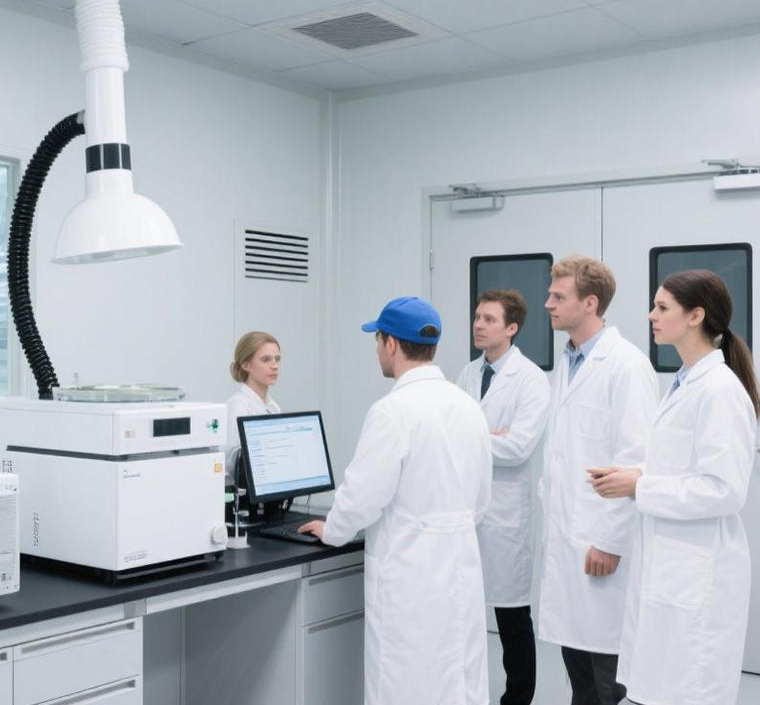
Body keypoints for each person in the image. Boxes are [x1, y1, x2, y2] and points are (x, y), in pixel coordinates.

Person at [299, 297, 492, 705]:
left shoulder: (392, 411)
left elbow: (361, 498)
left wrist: (332, 530)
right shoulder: (468, 407)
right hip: (460, 569)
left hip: (410, 575)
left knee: (405, 685)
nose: (376, 349)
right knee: (458, 682)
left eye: (377, 339)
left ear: (390, 344)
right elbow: (481, 499)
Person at [590, 270, 760, 705]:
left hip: (698, 571)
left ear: (696, 316)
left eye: (663, 307)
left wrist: (639, 485)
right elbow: (676, 463)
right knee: (657, 687)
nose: (651, 315)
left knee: (687, 689)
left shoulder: (719, 390)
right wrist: (632, 475)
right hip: (672, 564)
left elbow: (724, 489)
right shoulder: (684, 381)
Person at [537, 255, 657, 705]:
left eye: (558, 296)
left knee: (609, 680)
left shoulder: (625, 365)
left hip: (599, 544)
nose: (547, 303)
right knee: (580, 676)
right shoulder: (567, 363)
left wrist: (611, 540)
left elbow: (636, 461)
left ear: (590, 303)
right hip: (569, 540)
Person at [456, 289, 550, 705]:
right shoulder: (467, 374)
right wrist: (488, 435)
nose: (479, 324)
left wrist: (474, 437)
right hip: (467, 508)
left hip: (505, 513)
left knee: (512, 618)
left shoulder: (530, 379)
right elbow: (452, 436)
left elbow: (518, 448)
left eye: (489, 319)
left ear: (511, 328)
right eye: (477, 317)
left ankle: (517, 699)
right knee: (466, 611)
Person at [225, 331, 281, 482]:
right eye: (266, 360)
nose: (274, 366)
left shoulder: (273, 407)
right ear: (246, 365)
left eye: (277, 359)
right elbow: (233, 463)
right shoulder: (238, 405)